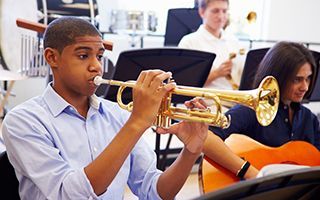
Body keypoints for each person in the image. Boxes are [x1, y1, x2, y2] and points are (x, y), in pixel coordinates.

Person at [1, 17, 208, 199]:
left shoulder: (116, 114)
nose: (97, 66)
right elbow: (68, 195)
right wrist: (136, 123)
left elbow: (155, 192)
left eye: (99, 56)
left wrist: (190, 152)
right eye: (83, 56)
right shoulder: (24, 120)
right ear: (52, 57)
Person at [188, 41, 320, 179]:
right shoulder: (251, 110)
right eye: (297, 79)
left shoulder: (309, 119)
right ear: (279, 77)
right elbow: (206, 138)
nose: (304, 87)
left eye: (308, 78)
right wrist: (250, 173)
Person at [179, 0, 244, 90]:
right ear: (202, 12)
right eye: (215, 11)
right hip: (206, 102)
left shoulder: (234, 41)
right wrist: (217, 73)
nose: (221, 16)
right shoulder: (189, 42)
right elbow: (185, 83)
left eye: (224, 11)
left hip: (235, 100)